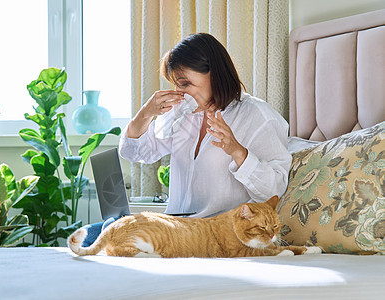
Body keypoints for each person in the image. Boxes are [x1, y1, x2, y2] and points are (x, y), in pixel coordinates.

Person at [81, 32, 291, 247]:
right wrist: (146, 113)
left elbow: (275, 189)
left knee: (108, 237)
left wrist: (238, 152)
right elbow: (135, 153)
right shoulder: (182, 113)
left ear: (214, 74)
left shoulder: (258, 116)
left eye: (184, 84)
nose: (179, 93)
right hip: (178, 227)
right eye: (176, 85)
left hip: (218, 233)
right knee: (97, 231)